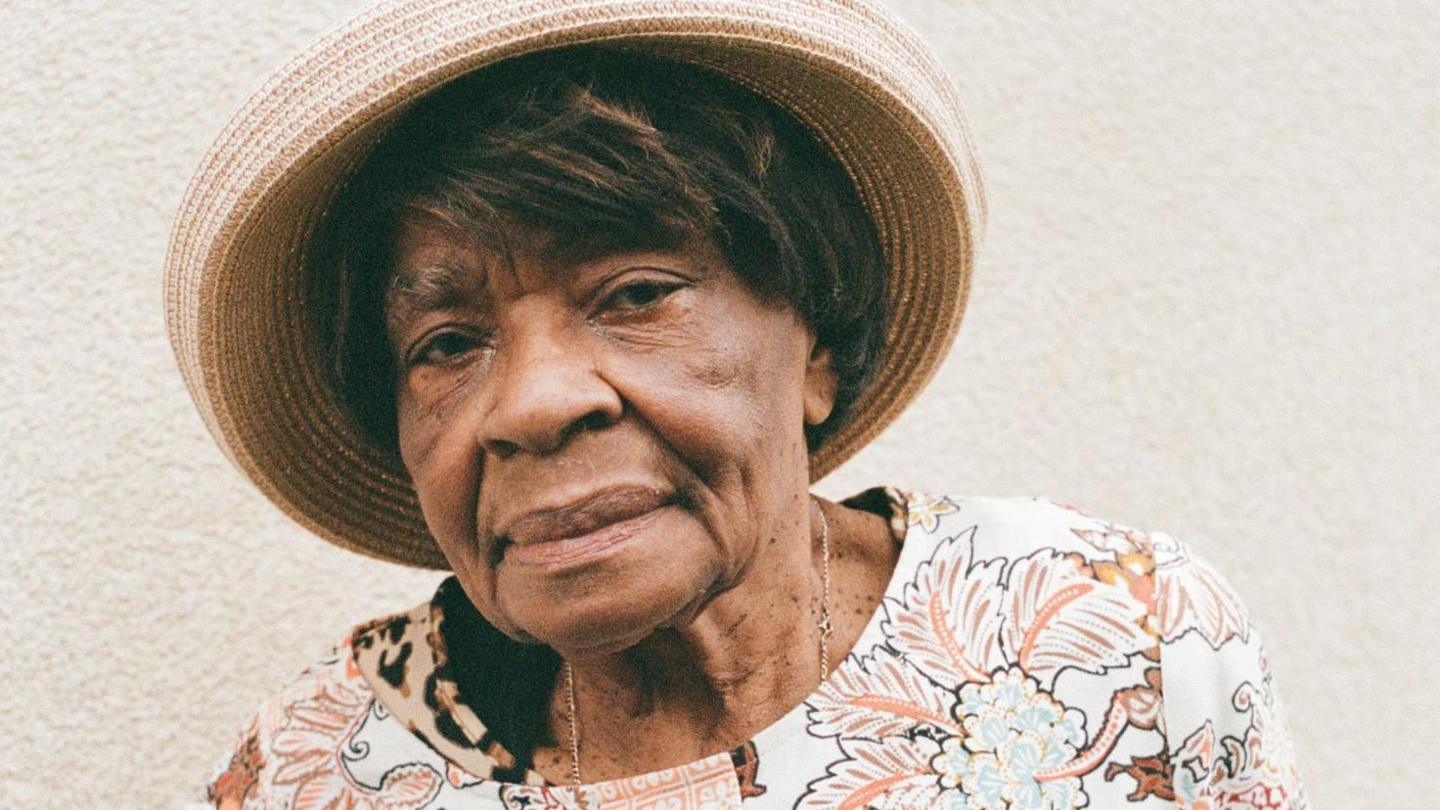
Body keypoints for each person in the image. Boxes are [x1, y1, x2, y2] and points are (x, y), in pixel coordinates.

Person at [168, 1, 1307, 807]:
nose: (533, 404)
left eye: (636, 293)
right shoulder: (325, 768)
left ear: (815, 346)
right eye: (448, 343)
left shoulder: (1118, 636)